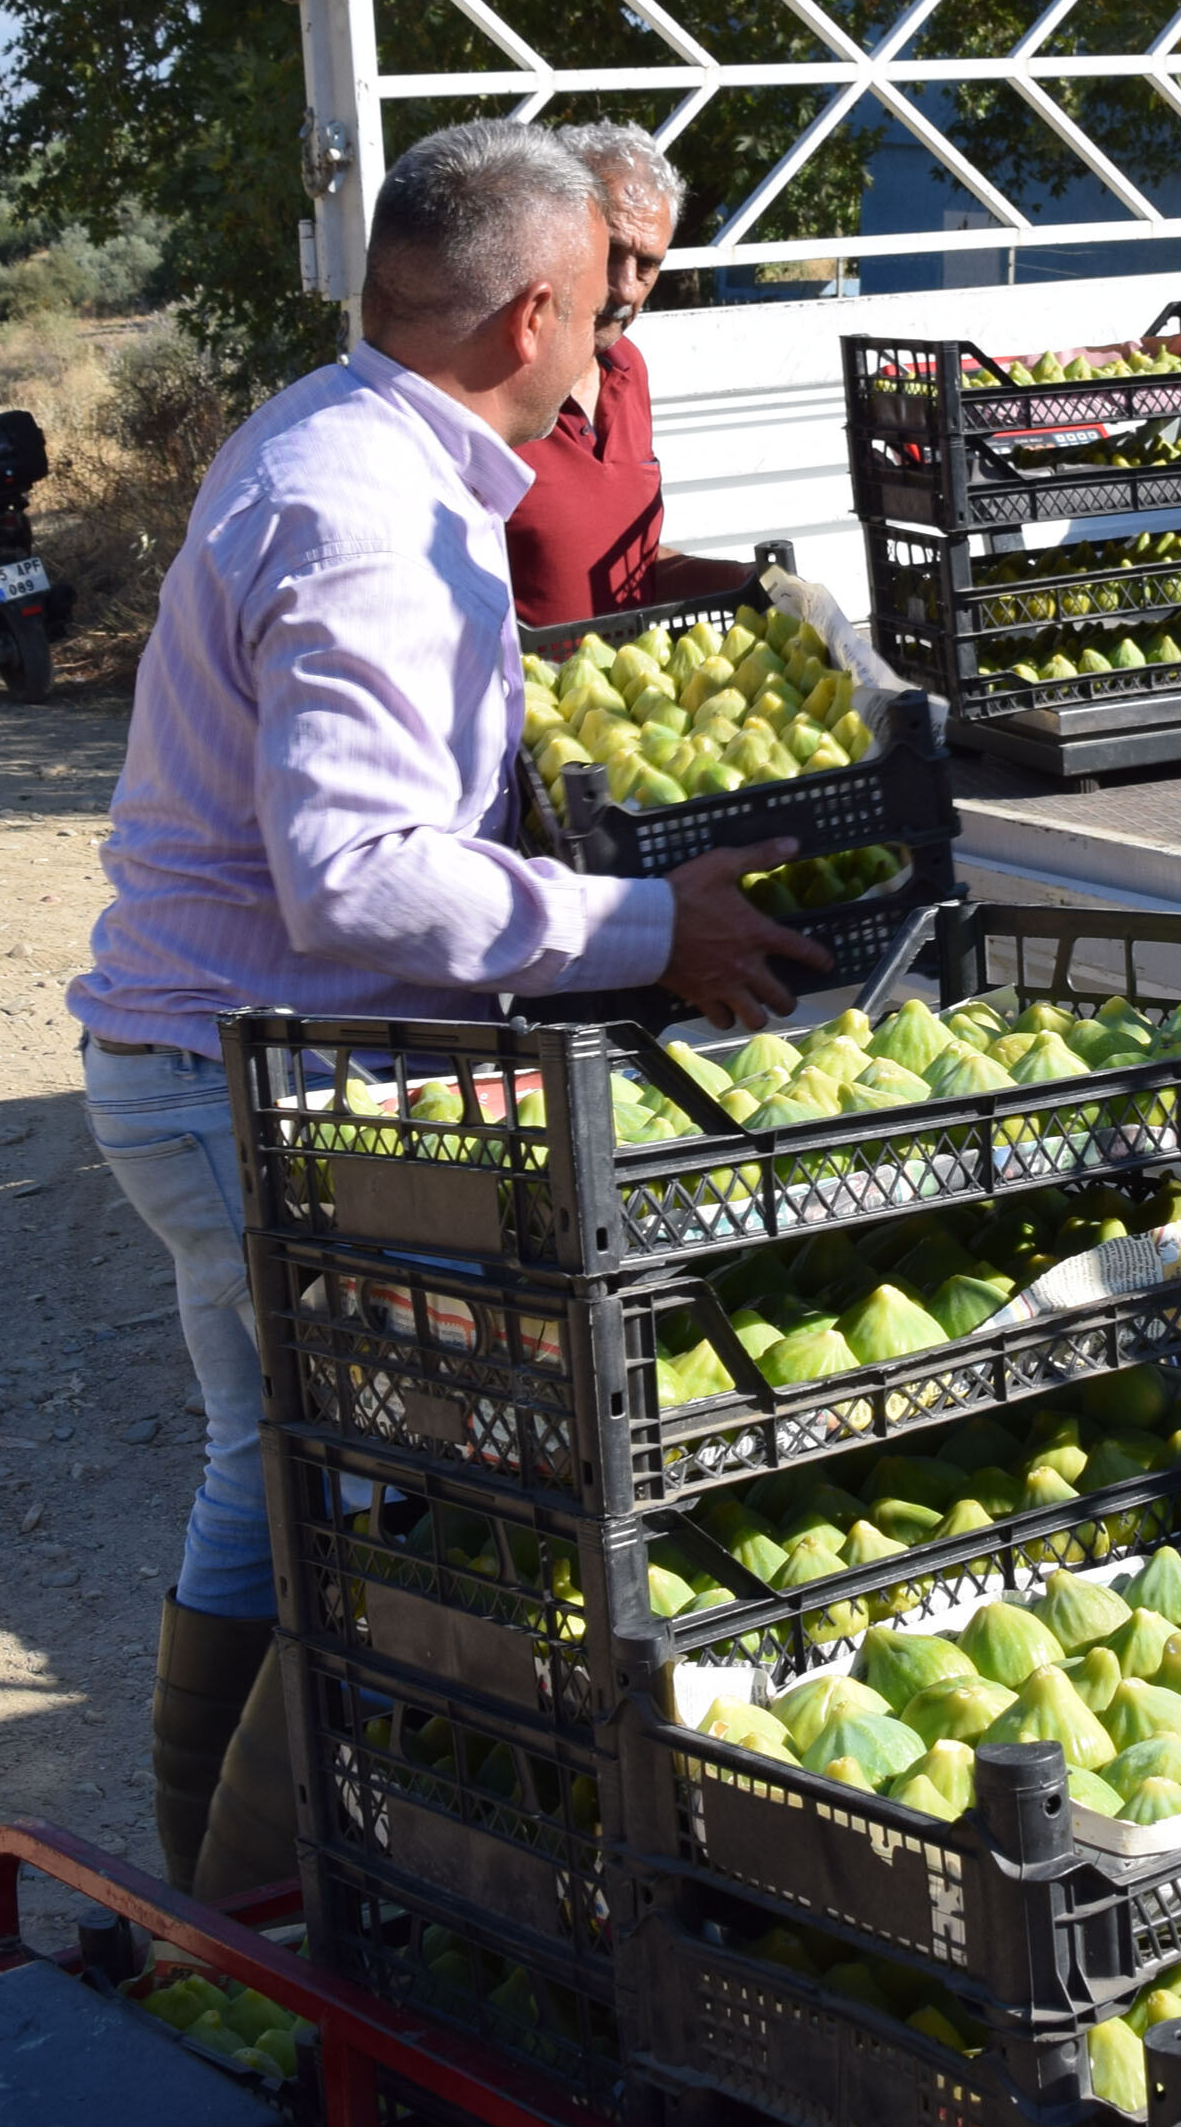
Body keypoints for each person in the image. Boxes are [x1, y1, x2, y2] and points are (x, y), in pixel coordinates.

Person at [67, 117, 829, 1894]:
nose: (605, 351)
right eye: (599, 312)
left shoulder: (327, 438)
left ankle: (224, 1889)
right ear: (533, 312)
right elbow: (357, 875)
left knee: (272, 1458)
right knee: (373, 1500)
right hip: (265, 1083)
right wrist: (652, 927)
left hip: (204, 1059)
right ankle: (293, 1912)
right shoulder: (363, 520)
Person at [504, 122, 747, 624]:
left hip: (619, 698)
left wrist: (744, 581)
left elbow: (630, 565)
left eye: (648, 265)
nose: (626, 289)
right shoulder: (494, 384)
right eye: (611, 253)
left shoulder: (627, 369)